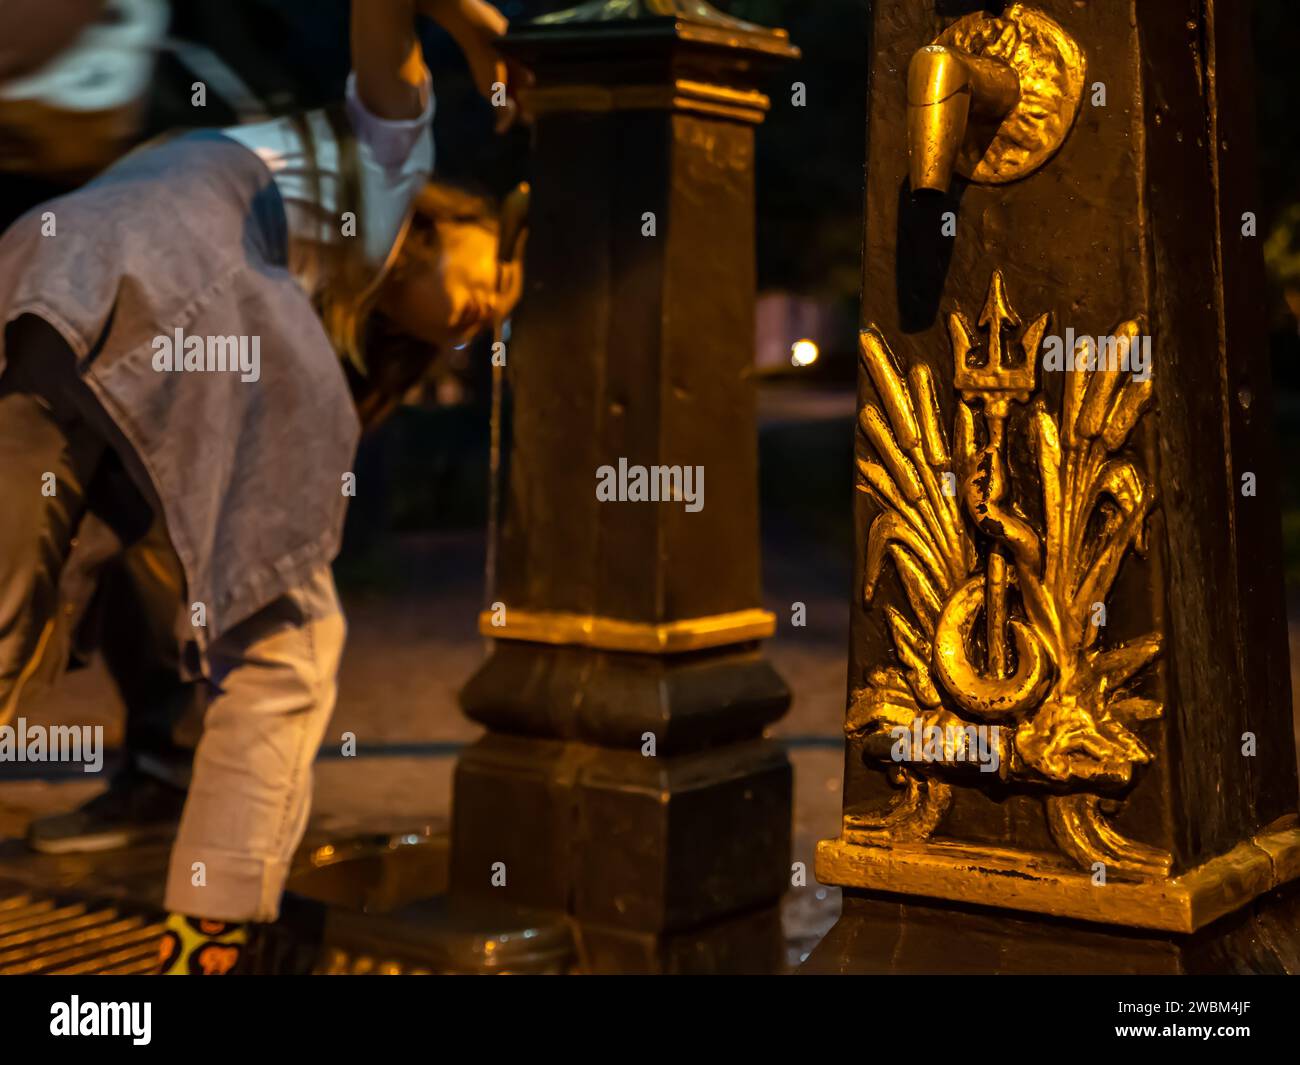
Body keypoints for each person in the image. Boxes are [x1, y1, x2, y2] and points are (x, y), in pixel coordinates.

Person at [0, 0, 525, 975]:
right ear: (447, 216)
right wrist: (481, 30)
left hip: (40, 275)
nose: (486, 309)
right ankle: (206, 946)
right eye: (495, 272)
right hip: (191, 293)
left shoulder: (308, 238)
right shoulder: (386, 170)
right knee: (285, 648)